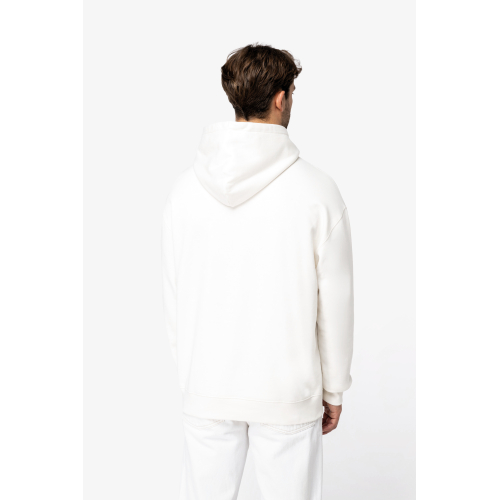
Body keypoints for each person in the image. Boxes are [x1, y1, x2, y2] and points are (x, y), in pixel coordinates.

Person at [162, 43, 354, 500]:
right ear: (281, 99)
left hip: (207, 383)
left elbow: (174, 294)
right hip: (287, 390)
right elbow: (336, 302)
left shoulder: (184, 192)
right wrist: (334, 388)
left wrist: (192, 374)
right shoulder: (318, 192)